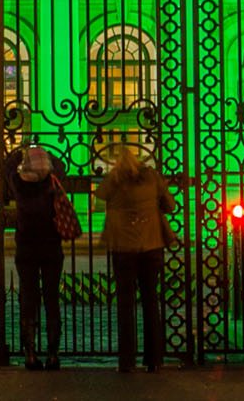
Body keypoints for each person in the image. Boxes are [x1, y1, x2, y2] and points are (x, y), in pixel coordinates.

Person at [96, 143, 174, 372]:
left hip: (123, 249)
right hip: (151, 246)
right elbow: (170, 205)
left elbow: (100, 198)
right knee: (151, 301)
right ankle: (155, 359)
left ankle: (126, 360)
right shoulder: (151, 177)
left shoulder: (115, 179)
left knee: (125, 305)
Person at [1, 144, 67, 369]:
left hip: (27, 249)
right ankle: (53, 354)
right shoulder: (52, 182)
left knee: (28, 300)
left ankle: (30, 354)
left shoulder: (19, 185)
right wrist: (46, 152)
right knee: (51, 299)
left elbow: (7, 169)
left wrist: (19, 152)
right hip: (51, 248)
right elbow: (61, 166)